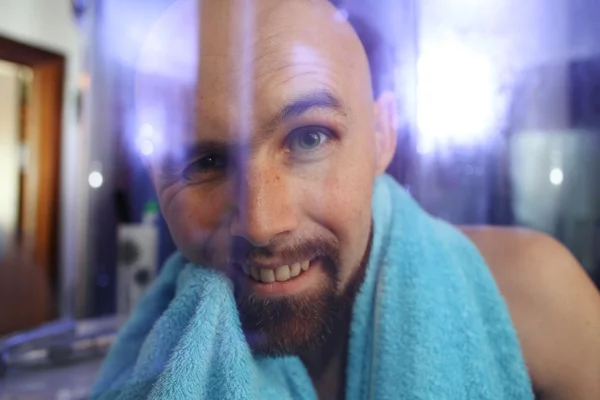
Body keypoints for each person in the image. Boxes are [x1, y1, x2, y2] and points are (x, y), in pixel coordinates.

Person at [93, 0, 600, 399]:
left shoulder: (539, 300)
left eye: (310, 138)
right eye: (203, 163)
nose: (262, 224)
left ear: (382, 135)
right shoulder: (155, 354)